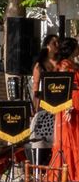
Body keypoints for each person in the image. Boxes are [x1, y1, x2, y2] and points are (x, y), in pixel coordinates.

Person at [50, 38, 79, 179]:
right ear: (72, 49)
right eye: (77, 46)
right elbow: (63, 86)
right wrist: (67, 105)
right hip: (70, 105)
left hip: (77, 104)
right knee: (69, 137)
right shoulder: (64, 65)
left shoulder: (73, 63)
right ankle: (69, 173)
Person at [31, 34, 61, 166]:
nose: (57, 45)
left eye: (58, 42)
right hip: (44, 104)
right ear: (47, 45)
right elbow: (35, 90)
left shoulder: (61, 63)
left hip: (60, 103)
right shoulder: (40, 65)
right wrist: (34, 110)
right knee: (45, 139)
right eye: (54, 43)